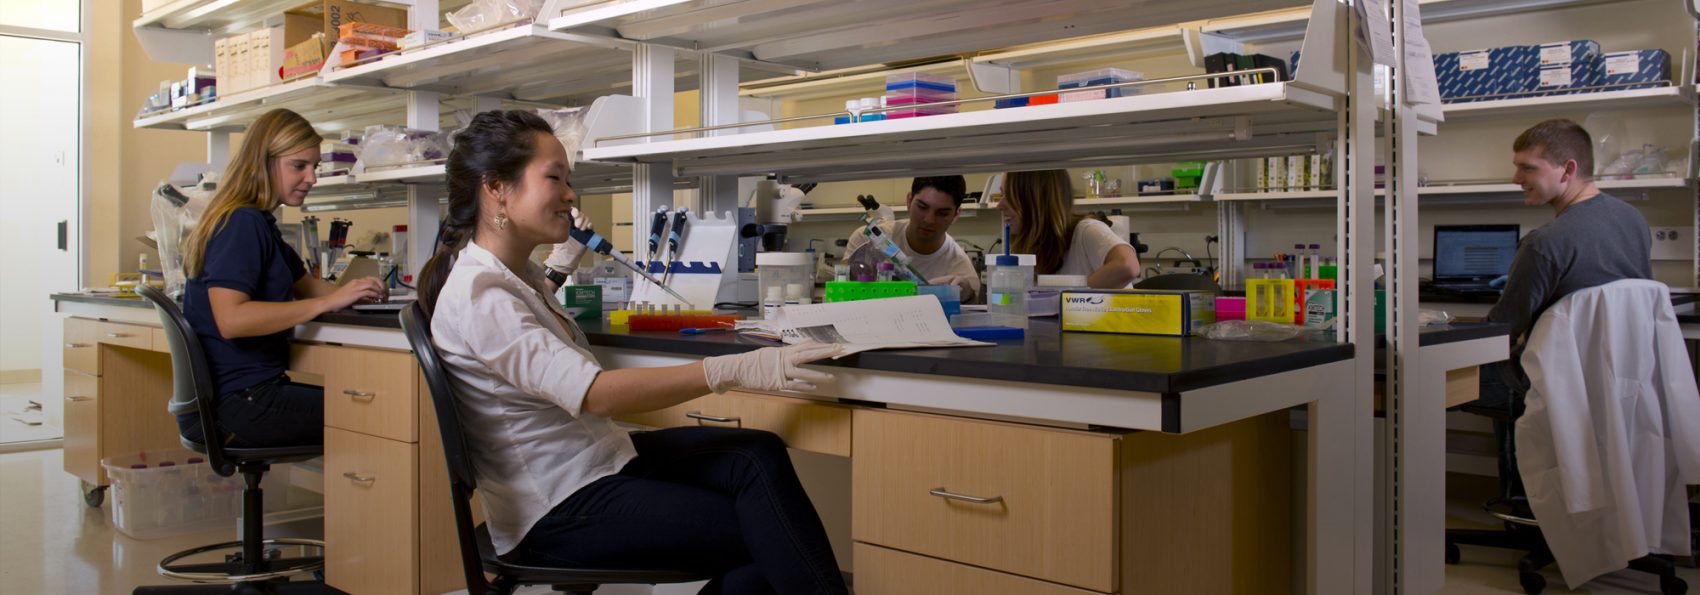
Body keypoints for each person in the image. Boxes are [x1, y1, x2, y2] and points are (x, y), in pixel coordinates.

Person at [417, 110, 848, 595]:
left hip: (592, 461)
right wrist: (738, 367)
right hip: (557, 505)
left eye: (569, 180)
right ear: (496, 187)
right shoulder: (481, 293)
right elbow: (597, 395)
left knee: (755, 455)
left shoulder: (514, 276)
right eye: (554, 178)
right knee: (767, 534)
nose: (570, 194)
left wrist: (556, 269)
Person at [178, 108, 387, 448]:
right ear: (263, 162)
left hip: (236, 397)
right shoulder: (242, 224)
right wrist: (329, 301)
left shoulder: (259, 223)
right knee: (388, 414)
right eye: (299, 166)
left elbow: (304, 285)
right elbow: (232, 320)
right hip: (238, 403)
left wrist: (353, 292)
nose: (312, 178)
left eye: (315, 167)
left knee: (378, 406)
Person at [1478, 118, 1653, 495]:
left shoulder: (1545, 243)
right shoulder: (1633, 220)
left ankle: (1522, 501)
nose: (1515, 178)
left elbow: (1500, 330)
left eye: (1528, 168)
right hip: (1619, 376)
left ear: (1568, 169)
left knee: (1441, 376)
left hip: (1556, 380)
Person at [842, 176, 981, 301]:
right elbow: (841, 296)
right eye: (922, 207)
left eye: (942, 213)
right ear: (909, 200)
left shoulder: (961, 272)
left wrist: (967, 297)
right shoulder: (866, 239)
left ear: (956, 215)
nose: (929, 220)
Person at [996, 169, 1141, 288]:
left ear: (1035, 199)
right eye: (1001, 195)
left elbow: (1128, 266)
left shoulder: (1087, 231)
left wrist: (1066, 299)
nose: (999, 205)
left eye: (1009, 195)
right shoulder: (1035, 247)